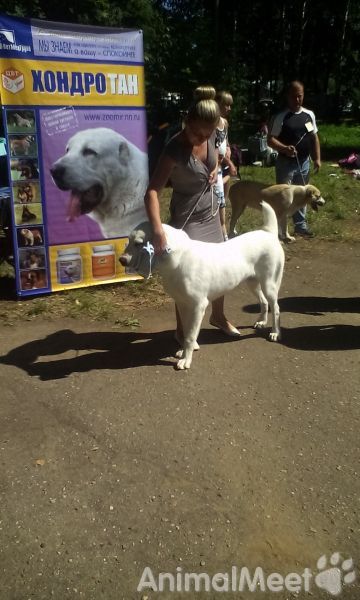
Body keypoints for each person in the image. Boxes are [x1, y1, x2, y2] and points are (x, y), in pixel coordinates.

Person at [144, 86, 241, 341]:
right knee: (185, 276)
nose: (201, 137)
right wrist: (157, 229)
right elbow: (152, 191)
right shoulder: (173, 150)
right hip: (186, 219)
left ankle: (217, 316)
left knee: (219, 268)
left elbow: (217, 156)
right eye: (196, 132)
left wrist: (215, 169)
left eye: (207, 133)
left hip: (210, 212)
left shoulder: (209, 136)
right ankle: (182, 328)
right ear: (186, 121)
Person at [267, 80, 321, 237]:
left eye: (300, 96)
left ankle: (300, 226)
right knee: (283, 197)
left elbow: (314, 137)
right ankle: (278, 230)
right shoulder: (281, 117)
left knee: (304, 195)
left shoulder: (308, 115)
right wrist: (284, 148)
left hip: (304, 162)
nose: (297, 100)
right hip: (285, 163)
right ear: (288, 97)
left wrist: (317, 158)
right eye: (294, 97)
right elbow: (270, 139)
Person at [215, 90, 237, 240]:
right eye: (226, 105)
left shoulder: (225, 122)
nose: (229, 108)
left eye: (230, 106)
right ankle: (220, 230)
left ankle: (224, 229)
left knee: (224, 196)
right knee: (218, 198)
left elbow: (225, 140)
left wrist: (228, 148)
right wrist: (230, 162)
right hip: (217, 163)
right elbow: (216, 147)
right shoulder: (212, 121)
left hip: (224, 164)